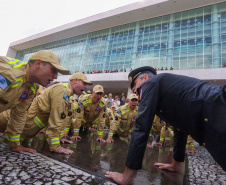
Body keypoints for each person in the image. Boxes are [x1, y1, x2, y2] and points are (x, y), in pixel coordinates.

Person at [105, 66, 226, 184]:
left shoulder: (150, 83)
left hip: (218, 108)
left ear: (145, 78)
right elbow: (180, 125)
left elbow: (141, 126)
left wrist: (126, 176)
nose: (136, 93)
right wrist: (176, 164)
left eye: (136, 88)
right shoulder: (165, 89)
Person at [0, 50, 69, 154]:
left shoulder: (32, 87)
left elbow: (18, 115)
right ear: (38, 64)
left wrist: (15, 145)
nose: (55, 77)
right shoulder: (10, 73)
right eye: (53, 70)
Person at [20, 72, 92, 154]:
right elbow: (56, 120)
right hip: (22, 128)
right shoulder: (62, 90)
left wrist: (59, 138)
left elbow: (61, 118)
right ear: (75, 80)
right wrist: (56, 147)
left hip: (25, 131)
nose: (86, 87)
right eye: (84, 83)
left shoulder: (66, 92)